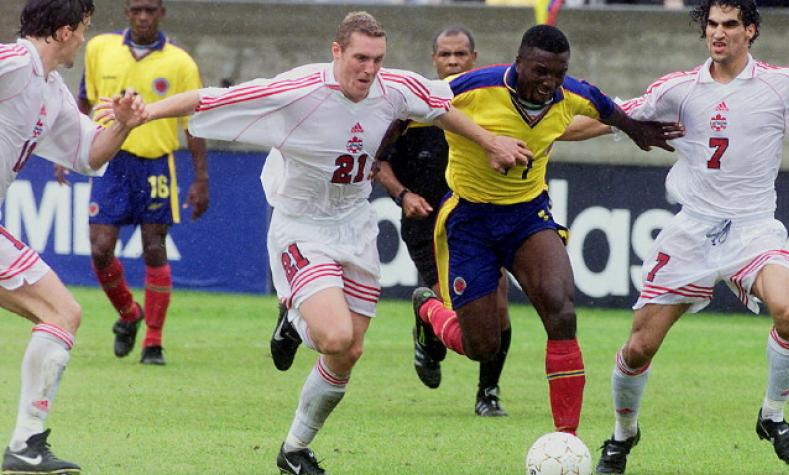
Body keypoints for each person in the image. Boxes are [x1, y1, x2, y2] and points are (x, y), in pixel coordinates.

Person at [137, 12, 531, 474]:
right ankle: (293, 320)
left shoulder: (394, 87)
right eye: (360, 58)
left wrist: (489, 141)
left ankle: (295, 448)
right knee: (335, 336)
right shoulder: (299, 90)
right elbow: (211, 99)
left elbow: (444, 107)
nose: (368, 69)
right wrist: (143, 113)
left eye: (377, 59)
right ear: (337, 51)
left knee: (349, 352)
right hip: (301, 225)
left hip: (356, 224)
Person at [560, 0, 789, 472]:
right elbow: (611, 117)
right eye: (711, 24)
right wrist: (548, 134)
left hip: (753, 229)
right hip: (692, 231)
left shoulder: (779, 84)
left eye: (730, 25)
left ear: (750, 31)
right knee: (639, 348)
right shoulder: (679, 90)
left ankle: (773, 415)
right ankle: (623, 435)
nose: (718, 33)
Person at [409, 24, 684, 436]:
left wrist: (636, 130)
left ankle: (566, 441)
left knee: (562, 311)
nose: (549, 83)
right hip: (470, 219)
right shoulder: (472, 87)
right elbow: (406, 107)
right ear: (518, 63)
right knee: (480, 346)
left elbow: (607, 110)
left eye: (558, 74)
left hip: (526, 215)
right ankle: (429, 309)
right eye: (540, 72)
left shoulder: (571, 93)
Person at [1, 1, 148, 473]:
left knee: (62, 314)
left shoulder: (51, 90)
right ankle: (25, 445)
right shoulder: (17, 62)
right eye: (83, 30)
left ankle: (26, 445)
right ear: (64, 32)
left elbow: (90, 154)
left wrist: (123, 123)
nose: (85, 39)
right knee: (62, 311)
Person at [56, 0, 208, 366]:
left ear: (162, 13)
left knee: (154, 247)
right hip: (109, 162)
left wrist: (201, 177)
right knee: (100, 248)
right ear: (126, 11)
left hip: (155, 163)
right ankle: (128, 313)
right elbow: (83, 101)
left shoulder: (180, 63)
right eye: (137, 9)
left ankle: (153, 342)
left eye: (150, 10)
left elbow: (195, 123)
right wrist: (67, 149)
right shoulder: (100, 50)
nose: (143, 16)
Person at [374, 26, 512, 417]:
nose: (453, 61)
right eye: (445, 54)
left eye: (460, 54)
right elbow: (376, 160)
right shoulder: (412, 109)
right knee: (457, 312)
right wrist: (403, 195)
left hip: (480, 218)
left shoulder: (490, 106)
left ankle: (488, 394)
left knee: (498, 305)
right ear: (434, 60)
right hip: (429, 222)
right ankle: (428, 328)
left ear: (474, 58)